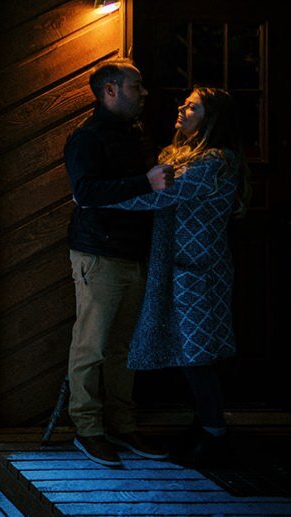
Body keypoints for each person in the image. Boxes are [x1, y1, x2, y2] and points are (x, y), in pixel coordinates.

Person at [85, 86, 248, 465]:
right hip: (178, 264)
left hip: (199, 266)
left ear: (212, 118)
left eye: (192, 107)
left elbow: (162, 195)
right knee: (188, 348)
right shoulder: (180, 155)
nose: (182, 108)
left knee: (197, 354)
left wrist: (98, 196)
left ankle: (215, 435)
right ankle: (204, 425)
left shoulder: (215, 162)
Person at [63, 59, 174, 467]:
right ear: (111, 90)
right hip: (99, 254)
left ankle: (122, 426)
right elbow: (86, 193)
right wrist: (144, 182)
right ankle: (88, 430)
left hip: (132, 253)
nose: (144, 92)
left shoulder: (133, 134)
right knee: (90, 346)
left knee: (123, 348)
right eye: (136, 85)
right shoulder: (86, 139)